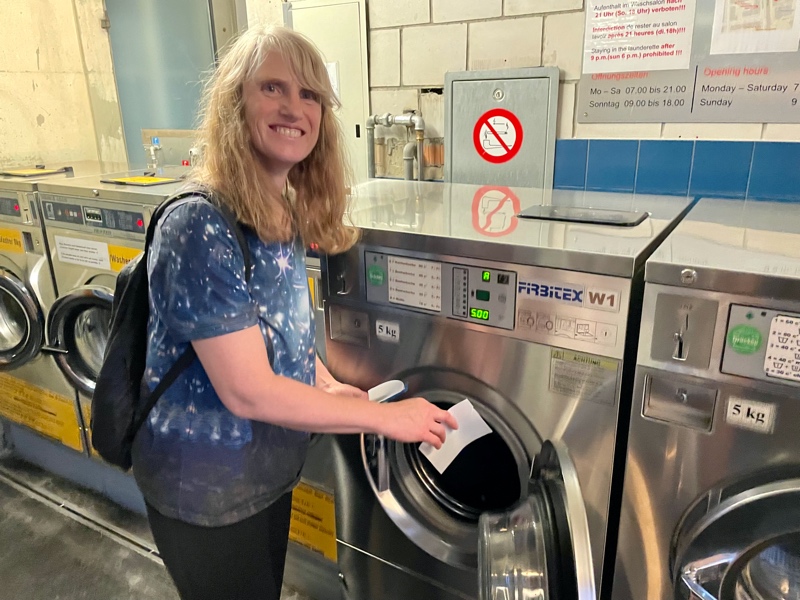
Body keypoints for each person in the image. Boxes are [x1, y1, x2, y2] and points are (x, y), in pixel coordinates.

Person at [130, 25, 458, 600]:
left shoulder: (279, 210)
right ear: (237, 106)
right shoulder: (201, 224)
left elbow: (283, 334)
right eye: (273, 88)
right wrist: (385, 418)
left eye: (310, 95)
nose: (293, 108)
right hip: (207, 490)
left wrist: (331, 385)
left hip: (264, 472)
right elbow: (249, 391)